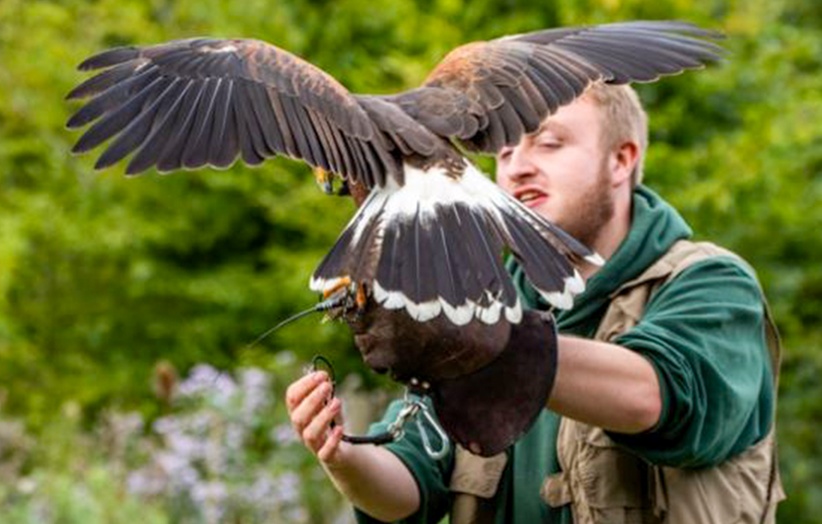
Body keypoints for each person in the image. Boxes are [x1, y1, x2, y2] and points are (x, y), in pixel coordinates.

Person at [284, 82, 784, 523]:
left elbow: (656, 396)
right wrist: (341, 455)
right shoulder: (482, 299)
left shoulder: (710, 282)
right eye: (502, 153)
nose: (519, 166)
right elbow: (413, 481)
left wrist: (487, 338)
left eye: (549, 143)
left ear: (622, 160)